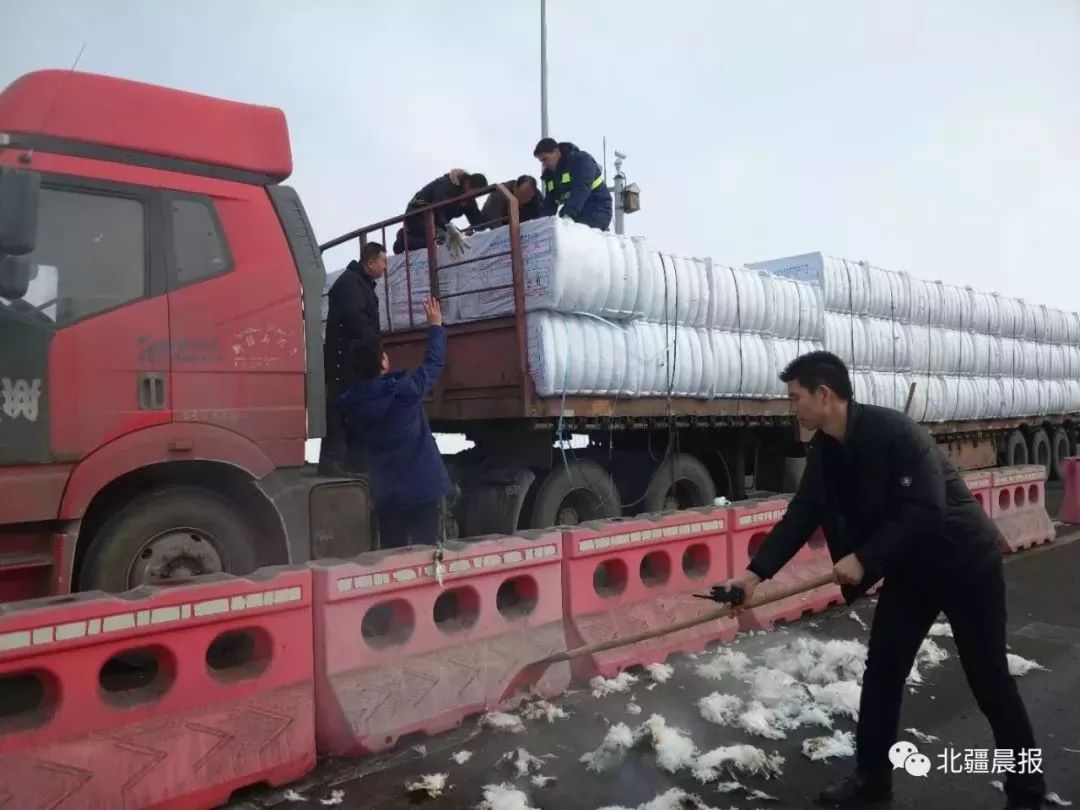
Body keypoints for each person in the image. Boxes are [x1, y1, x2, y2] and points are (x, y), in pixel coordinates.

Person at [722, 351, 1047, 810]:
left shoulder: (895, 433)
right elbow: (802, 514)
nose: (791, 408)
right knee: (883, 674)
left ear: (824, 395)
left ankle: (1028, 792)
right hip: (911, 569)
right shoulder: (826, 451)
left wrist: (864, 558)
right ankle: (872, 782)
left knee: (989, 680)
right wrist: (754, 575)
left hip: (964, 563)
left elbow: (927, 509)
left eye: (795, 398)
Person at [338, 296, 453, 548]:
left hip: (388, 493)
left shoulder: (353, 405)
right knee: (427, 554)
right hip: (421, 487)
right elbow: (433, 364)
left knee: (393, 557)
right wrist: (435, 326)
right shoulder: (405, 391)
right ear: (383, 363)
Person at [319, 241, 387, 476]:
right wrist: (377, 353)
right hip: (344, 363)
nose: (385, 266)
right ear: (370, 262)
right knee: (340, 412)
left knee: (355, 414)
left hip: (355, 363)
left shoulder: (362, 284)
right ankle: (334, 466)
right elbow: (357, 322)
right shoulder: (350, 283)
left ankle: (352, 466)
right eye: (383, 261)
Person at [392, 169, 488, 254]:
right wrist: (452, 229)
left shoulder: (468, 197)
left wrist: (477, 231)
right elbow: (438, 211)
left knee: (456, 238)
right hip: (417, 216)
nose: (474, 196)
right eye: (474, 192)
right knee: (444, 238)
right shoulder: (446, 185)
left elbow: (477, 221)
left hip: (436, 221)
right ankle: (404, 240)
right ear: (467, 183)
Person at [533, 137, 613, 231]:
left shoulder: (581, 160)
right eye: (541, 161)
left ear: (556, 152)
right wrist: (540, 225)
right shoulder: (550, 176)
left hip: (597, 211)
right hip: (575, 215)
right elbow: (550, 204)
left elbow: (581, 189)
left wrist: (568, 215)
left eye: (545, 159)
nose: (543, 164)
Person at [477, 175, 543, 229]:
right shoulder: (498, 195)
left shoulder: (537, 197)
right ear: (514, 187)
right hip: (503, 231)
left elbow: (543, 218)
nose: (522, 201)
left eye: (527, 198)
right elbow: (491, 223)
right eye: (520, 196)